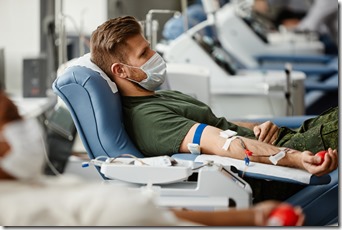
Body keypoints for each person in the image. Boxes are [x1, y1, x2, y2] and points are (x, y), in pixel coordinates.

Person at [89, 16, 338, 202]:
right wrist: (296, 159)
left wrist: (258, 127)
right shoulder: (148, 119)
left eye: (150, 47)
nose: (155, 55)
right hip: (270, 174)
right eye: (144, 53)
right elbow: (224, 144)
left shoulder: (161, 97)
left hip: (281, 144)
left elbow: (222, 125)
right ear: (120, 70)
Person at [0, 88, 305, 226]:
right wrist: (298, 159)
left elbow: (154, 215)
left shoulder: (44, 188)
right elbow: (224, 142)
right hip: (267, 167)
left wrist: (250, 218)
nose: (27, 127)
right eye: (14, 118)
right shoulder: (19, 216)